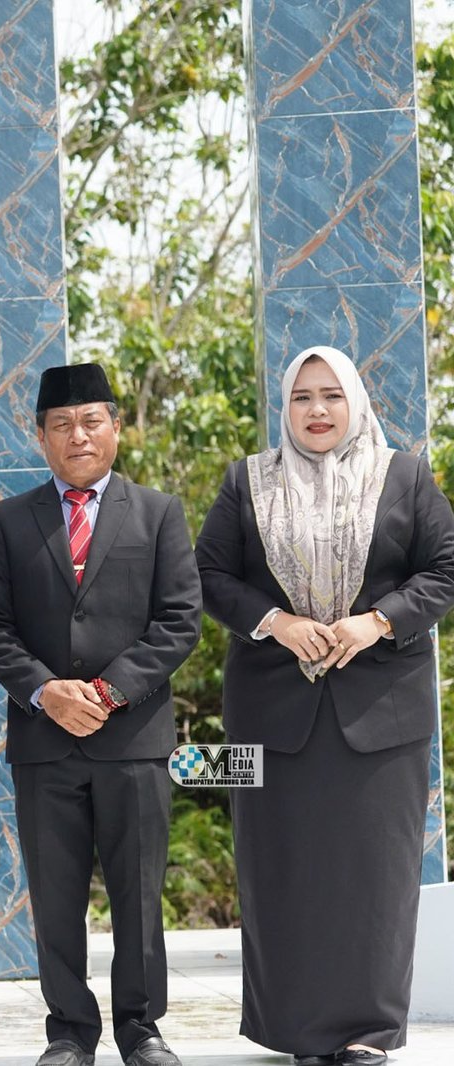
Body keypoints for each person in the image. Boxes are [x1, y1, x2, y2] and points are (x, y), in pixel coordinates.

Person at [195, 345, 454, 1066]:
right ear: (285, 407)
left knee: (377, 875)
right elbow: (208, 573)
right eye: (302, 396)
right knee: (281, 869)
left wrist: (378, 622)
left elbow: (445, 568)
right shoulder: (247, 481)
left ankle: (368, 1033)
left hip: (383, 713)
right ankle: (295, 1032)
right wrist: (276, 622)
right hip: (272, 715)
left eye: (332, 395)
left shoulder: (405, 476)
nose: (317, 410)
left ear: (355, 404)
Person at [0, 363, 200, 1066]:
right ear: (40, 436)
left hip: (133, 738)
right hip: (44, 740)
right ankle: (70, 1031)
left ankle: (141, 1027)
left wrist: (107, 692)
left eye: (92, 421)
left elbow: (180, 620)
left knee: (139, 893)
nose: (79, 436)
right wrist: (47, 691)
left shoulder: (158, 513)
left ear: (116, 428)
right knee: (55, 893)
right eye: (62, 424)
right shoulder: (8, 521)